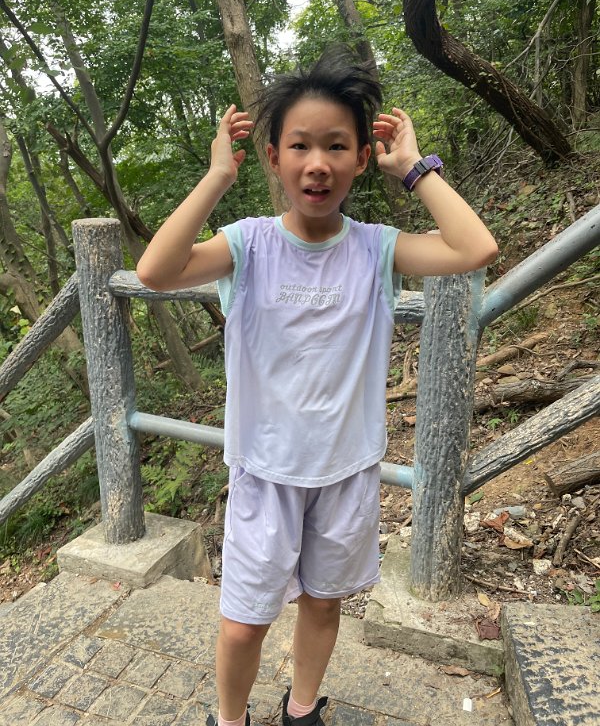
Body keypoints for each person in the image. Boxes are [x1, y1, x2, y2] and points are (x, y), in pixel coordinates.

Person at [136, 46, 498, 726]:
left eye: (336, 145)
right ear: (273, 157)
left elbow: (475, 249)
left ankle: (301, 711)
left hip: (346, 469)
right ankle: (230, 719)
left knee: (324, 603)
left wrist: (414, 169)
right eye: (299, 145)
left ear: (361, 158)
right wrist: (217, 175)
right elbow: (155, 271)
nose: (317, 162)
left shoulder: (377, 248)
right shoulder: (247, 245)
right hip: (264, 471)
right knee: (243, 623)